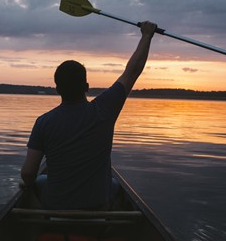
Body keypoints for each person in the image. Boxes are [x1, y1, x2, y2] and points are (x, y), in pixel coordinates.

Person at [21, 21, 157, 210]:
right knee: (116, 186)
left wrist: (27, 185)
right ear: (86, 87)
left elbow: (28, 173)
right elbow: (132, 72)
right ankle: (108, 229)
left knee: (38, 181)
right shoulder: (104, 110)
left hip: (56, 207)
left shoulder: (43, 122)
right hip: (98, 206)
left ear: (57, 89)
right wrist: (147, 35)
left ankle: (41, 226)